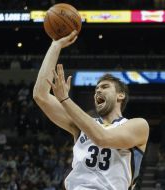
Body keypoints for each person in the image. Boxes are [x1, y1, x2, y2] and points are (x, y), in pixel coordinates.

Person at [33, 30, 149, 190]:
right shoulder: (82, 125)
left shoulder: (138, 126)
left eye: (105, 87)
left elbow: (103, 138)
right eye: (96, 89)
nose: (98, 91)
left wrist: (65, 100)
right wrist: (56, 45)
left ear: (120, 95)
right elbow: (41, 95)